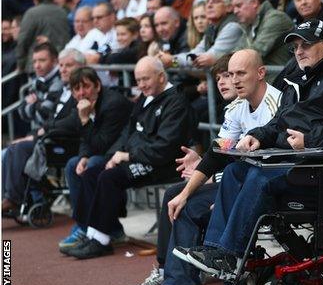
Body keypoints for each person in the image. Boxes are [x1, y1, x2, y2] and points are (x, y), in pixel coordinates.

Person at [175, 19, 323, 285]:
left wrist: (309, 141)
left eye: (306, 45)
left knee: (260, 178)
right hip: (298, 163)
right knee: (235, 171)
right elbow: (279, 122)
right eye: (295, 47)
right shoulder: (298, 77)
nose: (299, 51)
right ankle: (220, 254)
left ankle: (229, 254)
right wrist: (258, 136)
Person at [138, 50, 283, 285]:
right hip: (239, 180)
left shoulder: (276, 104)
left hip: (269, 184)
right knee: (184, 203)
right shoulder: (237, 107)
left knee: (219, 187)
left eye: (239, 74)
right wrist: (185, 194)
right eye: (228, 75)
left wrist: (229, 196)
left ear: (261, 73)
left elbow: (273, 166)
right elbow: (218, 153)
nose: (234, 80)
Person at [128, 54, 238, 285]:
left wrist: (213, 178)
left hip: (244, 186)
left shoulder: (262, 105)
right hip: (228, 180)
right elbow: (221, 154)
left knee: (185, 202)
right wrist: (203, 167)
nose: (222, 82)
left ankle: (181, 284)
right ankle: (172, 275)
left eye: (229, 76)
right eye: (218, 77)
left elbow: (252, 165)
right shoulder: (233, 108)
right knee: (174, 195)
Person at [61, 56, 195, 259]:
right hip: (139, 158)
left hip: (164, 165)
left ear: (160, 77)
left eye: (145, 79)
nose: (141, 85)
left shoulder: (176, 102)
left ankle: (101, 241)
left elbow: (165, 148)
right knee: (92, 172)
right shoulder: (145, 97)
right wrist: (113, 155)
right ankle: (93, 232)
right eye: (138, 80)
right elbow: (128, 132)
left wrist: (127, 155)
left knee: (109, 177)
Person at [58, 66, 133, 249]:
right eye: (76, 89)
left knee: (92, 165)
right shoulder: (86, 104)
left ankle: (101, 228)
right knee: (73, 164)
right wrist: (83, 155)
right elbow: (87, 140)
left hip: (122, 154)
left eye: (86, 87)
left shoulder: (113, 104)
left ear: (98, 86)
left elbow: (102, 143)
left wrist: (84, 120)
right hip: (103, 151)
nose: (82, 93)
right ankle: (87, 226)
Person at [2, 47, 84, 213]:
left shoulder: (82, 91)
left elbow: (69, 121)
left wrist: (35, 136)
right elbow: (27, 112)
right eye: (61, 65)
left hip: (67, 142)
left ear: (81, 67)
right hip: (50, 137)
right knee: (13, 148)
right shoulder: (63, 89)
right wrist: (33, 134)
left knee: (20, 148)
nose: (63, 69)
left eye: (69, 65)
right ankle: (15, 197)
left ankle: (14, 199)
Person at [164, 0, 245, 69]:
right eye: (207, 2)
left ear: (228, 7)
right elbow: (194, 54)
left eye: (215, 1)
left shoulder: (232, 27)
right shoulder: (211, 28)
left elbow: (206, 59)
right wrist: (171, 61)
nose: (209, 5)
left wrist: (172, 61)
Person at [231, 0, 293, 70]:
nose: (235, 11)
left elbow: (255, 53)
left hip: (279, 80)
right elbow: (235, 53)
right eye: (233, 7)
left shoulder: (276, 18)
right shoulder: (249, 25)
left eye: (238, 6)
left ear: (254, 3)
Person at [15, 0, 70, 73]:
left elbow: (23, 40)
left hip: (36, 68)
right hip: (60, 66)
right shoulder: (63, 12)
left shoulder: (31, 13)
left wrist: (20, 64)